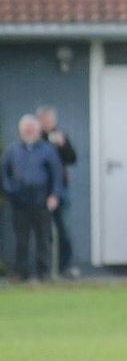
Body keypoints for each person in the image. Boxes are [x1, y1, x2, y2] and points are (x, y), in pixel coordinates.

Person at [0, 115, 63, 282]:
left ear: (38, 130)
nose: (29, 131)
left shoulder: (48, 150)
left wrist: (55, 195)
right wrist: (10, 191)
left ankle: (44, 273)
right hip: (19, 203)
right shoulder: (12, 150)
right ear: (21, 131)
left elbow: (57, 174)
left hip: (42, 201)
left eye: (32, 128)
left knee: (44, 238)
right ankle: (21, 273)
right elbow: (4, 173)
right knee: (21, 240)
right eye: (26, 128)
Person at [37, 105, 79, 279]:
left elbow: (72, 158)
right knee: (43, 231)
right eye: (46, 119)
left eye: (52, 119)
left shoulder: (61, 135)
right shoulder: (36, 138)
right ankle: (44, 269)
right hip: (40, 190)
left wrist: (63, 145)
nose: (50, 122)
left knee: (64, 229)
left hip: (61, 189)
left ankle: (65, 267)